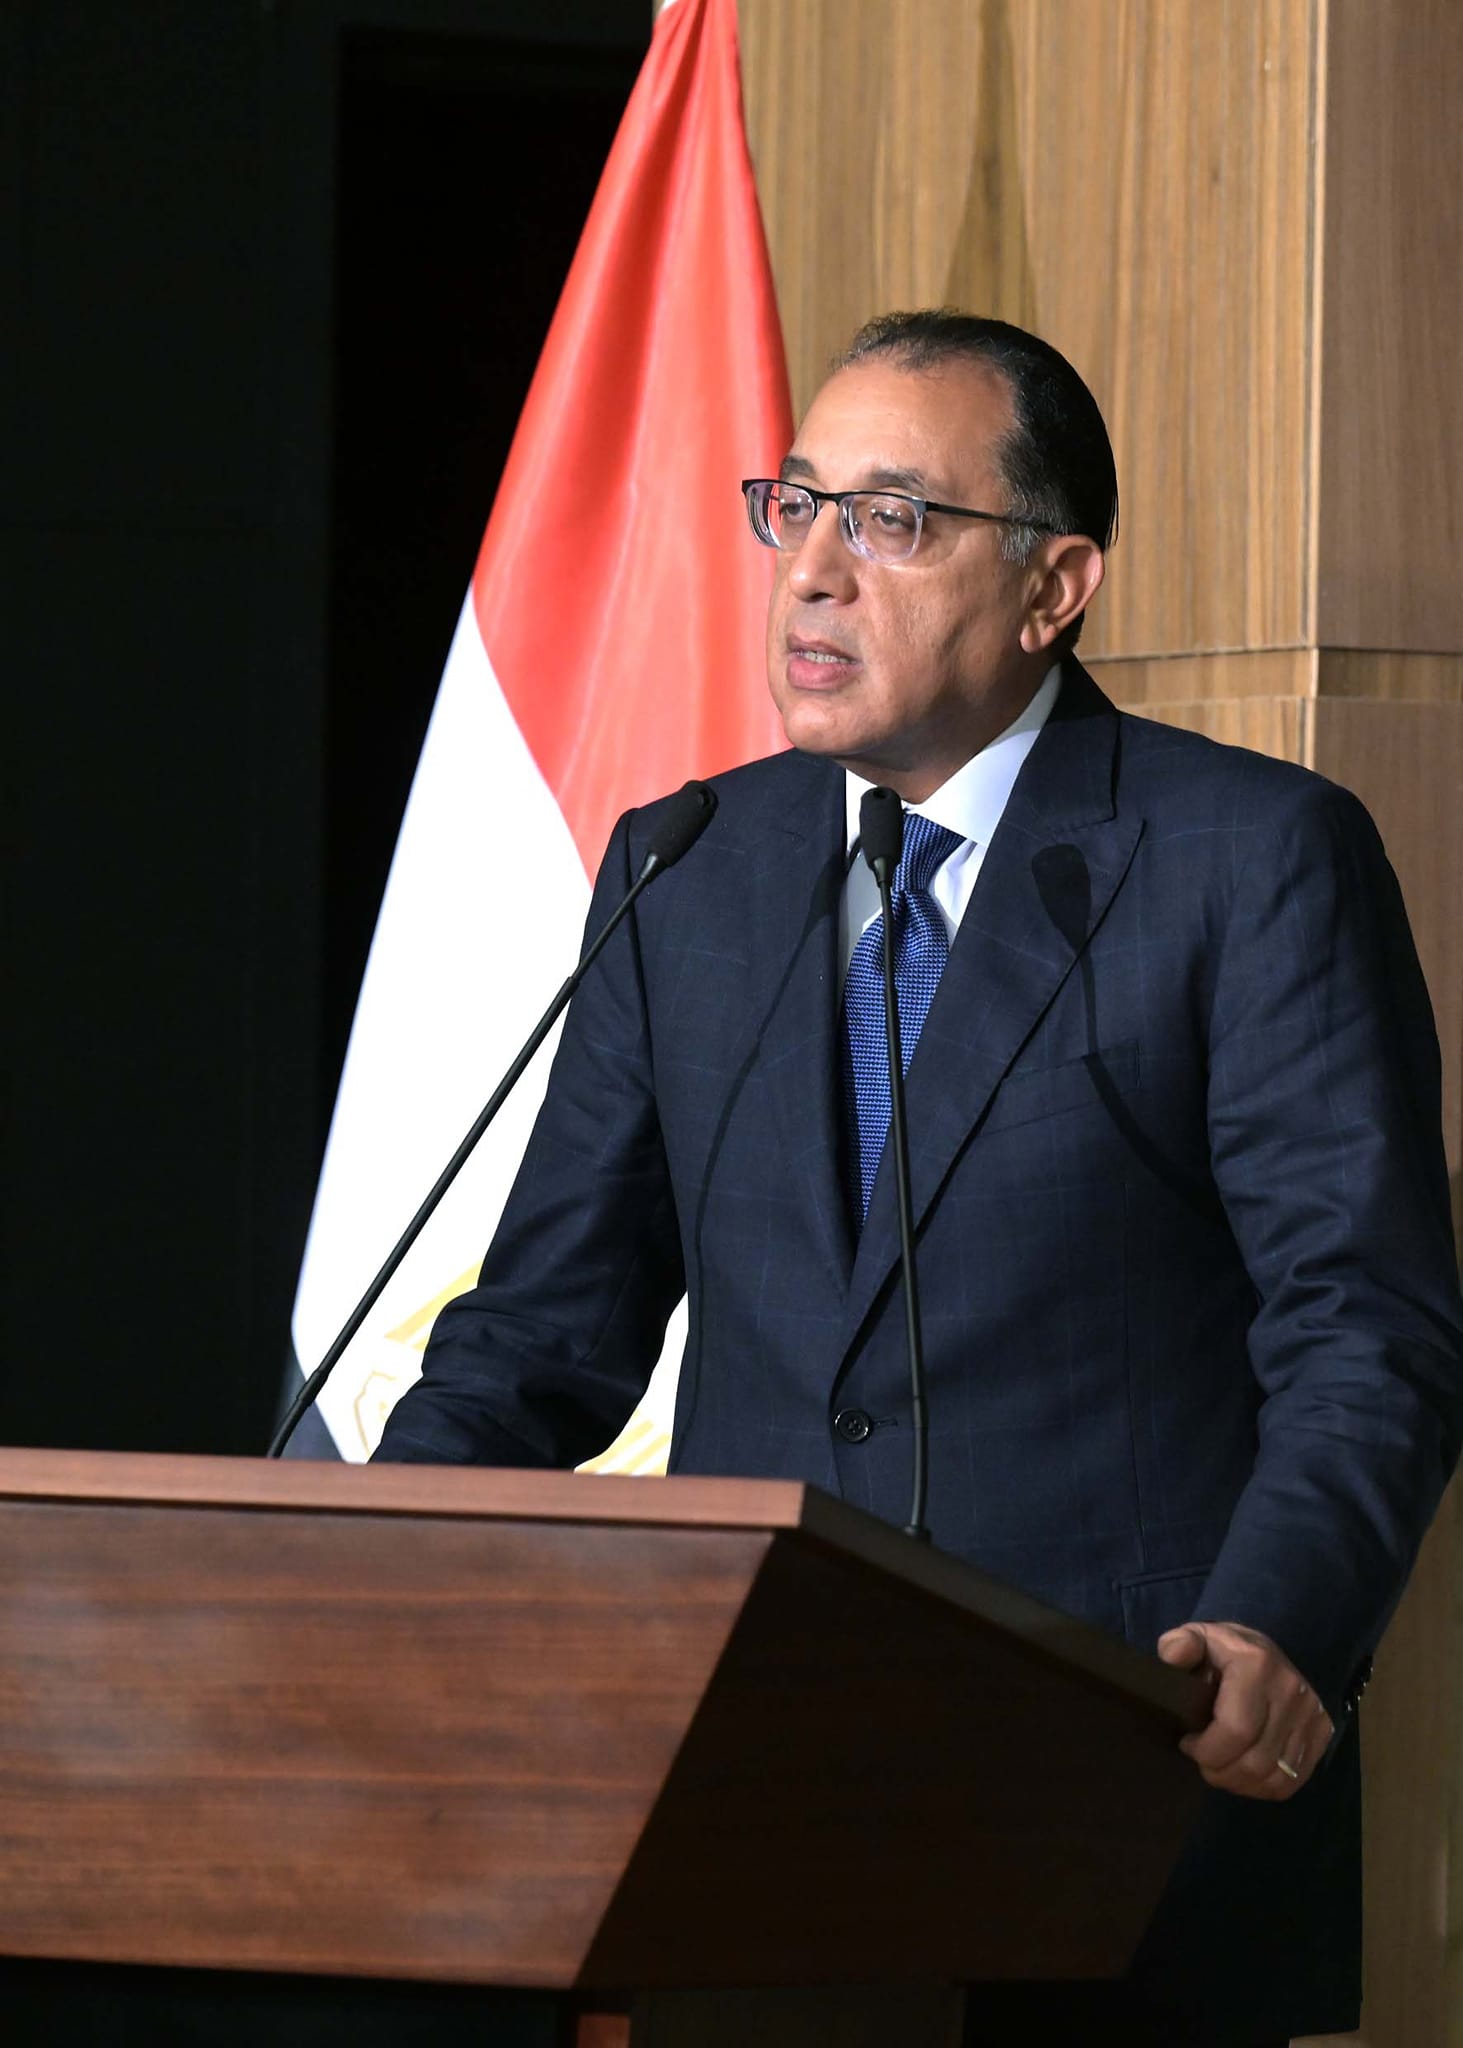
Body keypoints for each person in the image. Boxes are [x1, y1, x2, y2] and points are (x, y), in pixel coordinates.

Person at [375, 311, 1463, 2044]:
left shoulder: (1249, 858)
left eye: (893, 519)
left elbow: (1365, 1329)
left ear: (1054, 587)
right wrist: (355, 1573)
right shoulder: (688, 865)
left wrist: (1279, 1626)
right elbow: (538, 1341)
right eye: (796, 504)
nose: (815, 570)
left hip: (1122, 1801)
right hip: (751, 1807)